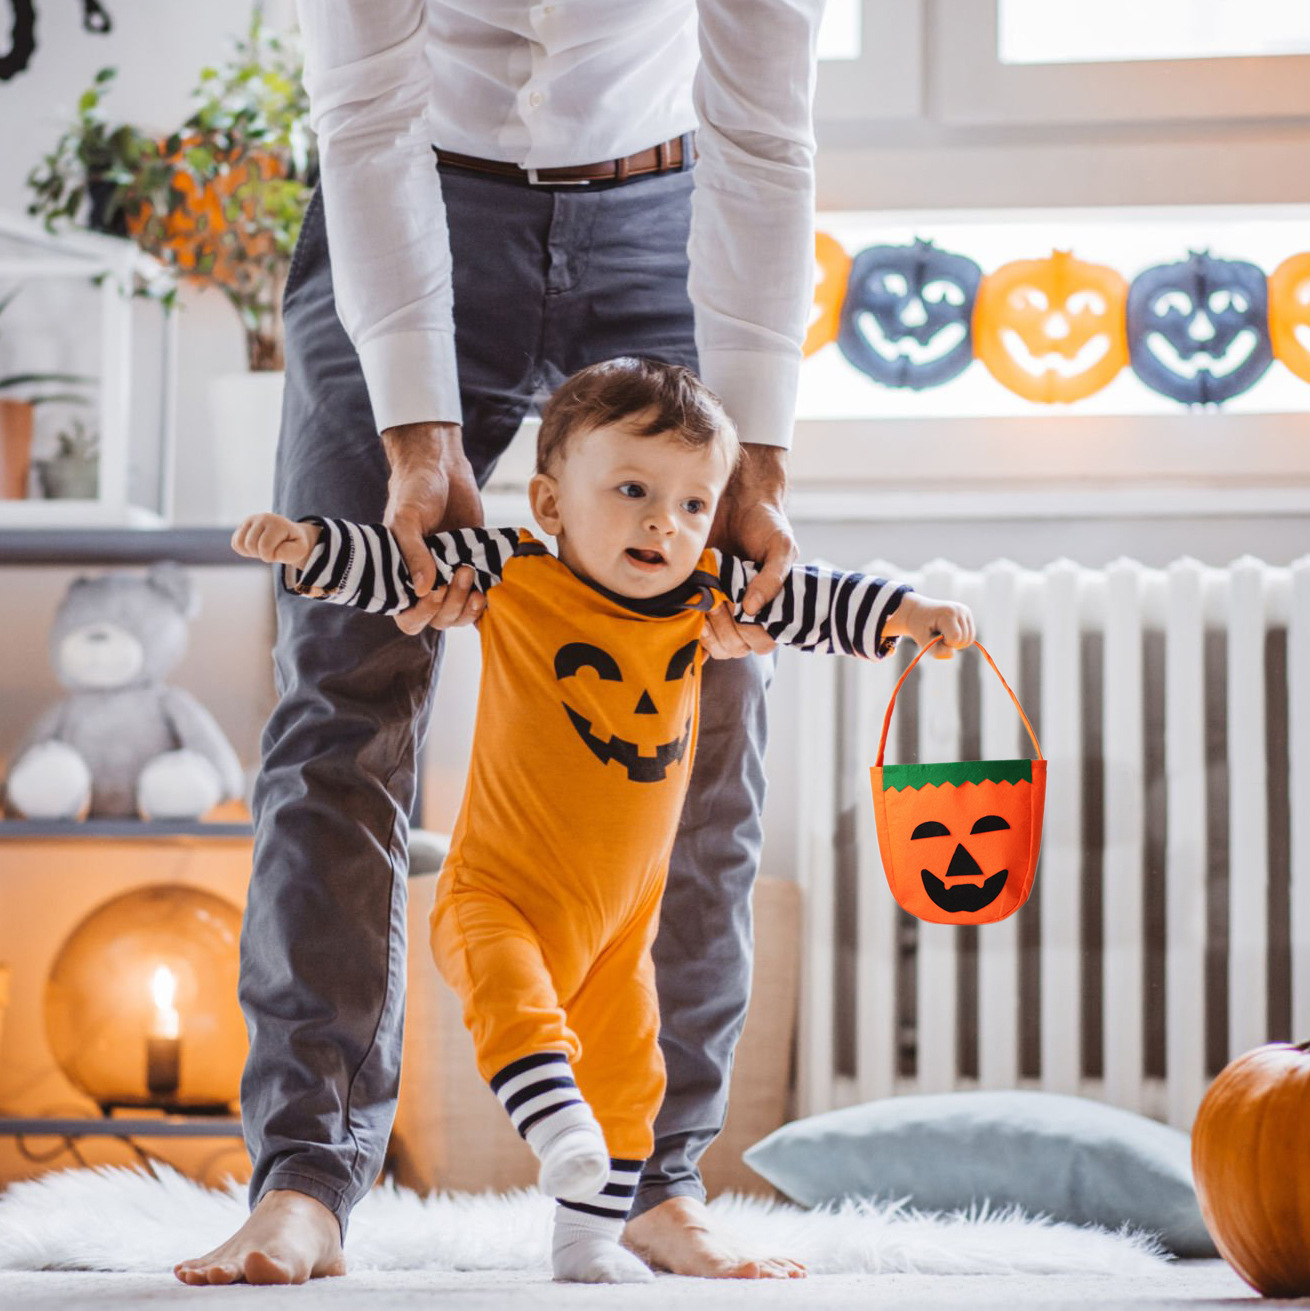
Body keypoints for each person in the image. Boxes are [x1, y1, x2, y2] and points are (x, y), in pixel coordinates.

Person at [176, 0, 863, 1287]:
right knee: (343, 681)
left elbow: (765, 134)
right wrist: (415, 433)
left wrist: (757, 453)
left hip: (668, 203)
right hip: (410, 189)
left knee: (709, 689)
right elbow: (367, 117)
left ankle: (654, 1178)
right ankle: (308, 1180)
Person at [227, 357, 976, 1284]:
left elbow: (812, 598)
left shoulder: (705, 594)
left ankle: (589, 1240)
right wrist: (307, 548)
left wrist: (908, 613)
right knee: (522, 1016)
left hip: (622, 928)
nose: (666, 521)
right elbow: (395, 568)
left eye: (695, 504)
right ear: (549, 502)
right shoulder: (514, 572)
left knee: (631, 1079)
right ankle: (554, 1129)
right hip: (496, 895)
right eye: (632, 490)